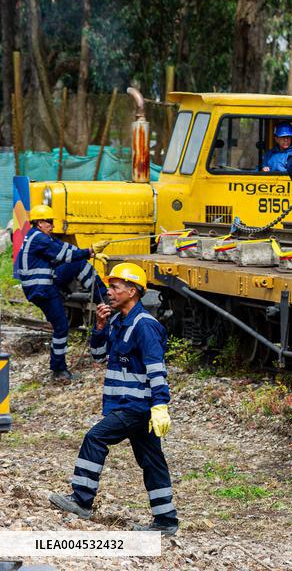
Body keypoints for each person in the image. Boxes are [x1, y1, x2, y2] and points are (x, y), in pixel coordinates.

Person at [49, 262, 178, 536]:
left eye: (115, 288)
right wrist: (100, 325)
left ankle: (81, 499)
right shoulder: (118, 321)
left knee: (95, 438)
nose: (109, 292)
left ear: (132, 291)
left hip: (136, 407)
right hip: (126, 405)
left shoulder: (145, 326)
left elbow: (157, 368)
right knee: (152, 460)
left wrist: (160, 404)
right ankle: (166, 520)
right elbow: (98, 357)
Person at [15, 204, 109, 381]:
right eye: (48, 222)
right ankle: (58, 370)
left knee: (79, 264)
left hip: (43, 285)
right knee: (61, 327)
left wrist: (88, 252)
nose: (52, 225)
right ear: (39, 223)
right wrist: (89, 251)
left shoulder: (41, 237)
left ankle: (102, 296)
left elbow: (65, 248)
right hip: (42, 288)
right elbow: (64, 254)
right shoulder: (39, 239)